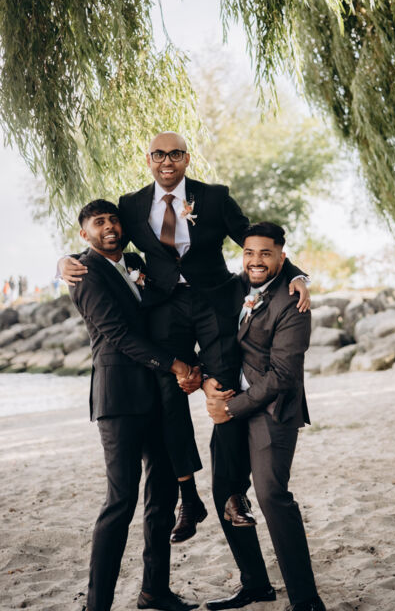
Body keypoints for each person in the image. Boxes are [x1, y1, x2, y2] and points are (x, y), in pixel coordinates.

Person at [59, 132, 310, 542]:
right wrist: (64, 261)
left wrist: (296, 274)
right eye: (159, 154)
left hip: (214, 302)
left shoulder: (214, 197)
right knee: (167, 395)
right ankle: (188, 497)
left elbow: (254, 240)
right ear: (148, 160)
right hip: (163, 307)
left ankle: (234, 492)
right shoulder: (131, 205)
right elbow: (106, 245)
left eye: (175, 154)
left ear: (186, 159)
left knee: (225, 388)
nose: (167, 161)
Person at [68, 199, 202, 611]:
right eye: (99, 222)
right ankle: (97, 605)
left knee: (161, 496)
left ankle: (154, 591)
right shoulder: (84, 274)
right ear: (85, 233)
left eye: (113, 219)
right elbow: (118, 334)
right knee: (121, 500)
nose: (109, 226)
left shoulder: (135, 262)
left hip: (158, 395)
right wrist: (177, 364)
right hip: (119, 398)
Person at [205, 222, 327, 611]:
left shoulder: (293, 302)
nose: (256, 261)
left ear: (281, 257)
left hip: (271, 411)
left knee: (272, 496)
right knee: (226, 494)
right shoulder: (238, 285)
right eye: (249, 253)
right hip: (230, 404)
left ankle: (306, 600)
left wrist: (231, 408)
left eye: (265, 254)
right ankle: (255, 584)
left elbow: (283, 376)